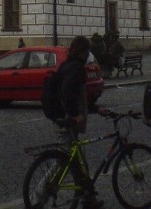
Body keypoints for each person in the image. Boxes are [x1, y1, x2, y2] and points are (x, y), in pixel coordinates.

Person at [57, 35, 103, 209]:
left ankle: (88, 198)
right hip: (70, 122)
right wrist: (75, 116)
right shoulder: (76, 69)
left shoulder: (66, 65)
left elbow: (80, 98)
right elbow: (69, 94)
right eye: (87, 51)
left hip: (64, 119)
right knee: (63, 163)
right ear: (83, 52)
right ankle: (40, 195)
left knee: (78, 163)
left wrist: (96, 109)